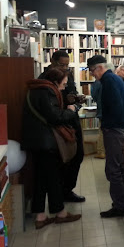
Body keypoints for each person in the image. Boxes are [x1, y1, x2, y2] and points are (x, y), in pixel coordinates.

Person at [22, 67, 82, 229]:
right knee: (54, 177)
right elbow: (55, 117)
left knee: (41, 178)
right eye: (63, 84)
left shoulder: (35, 90)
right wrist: (71, 110)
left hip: (36, 141)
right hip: (46, 142)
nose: (64, 87)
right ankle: (59, 212)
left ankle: (40, 215)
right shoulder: (47, 92)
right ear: (55, 81)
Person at [87, 55, 124, 217]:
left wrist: (106, 126)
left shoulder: (108, 81)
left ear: (100, 67)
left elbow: (114, 106)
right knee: (119, 166)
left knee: (113, 169)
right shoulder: (115, 79)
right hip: (119, 127)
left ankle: (119, 206)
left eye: (93, 71)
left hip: (113, 129)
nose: (92, 74)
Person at [39, 50, 86, 203]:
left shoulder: (68, 75)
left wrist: (76, 99)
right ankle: (60, 193)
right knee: (63, 158)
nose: (65, 68)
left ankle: (67, 189)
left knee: (77, 155)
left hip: (71, 119)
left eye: (67, 65)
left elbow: (71, 93)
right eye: (61, 64)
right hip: (58, 123)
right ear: (52, 61)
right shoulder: (45, 78)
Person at [91, 63, 116, 159]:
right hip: (105, 109)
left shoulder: (98, 82)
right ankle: (102, 151)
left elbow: (94, 95)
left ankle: (101, 151)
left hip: (102, 108)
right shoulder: (106, 81)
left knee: (102, 130)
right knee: (103, 131)